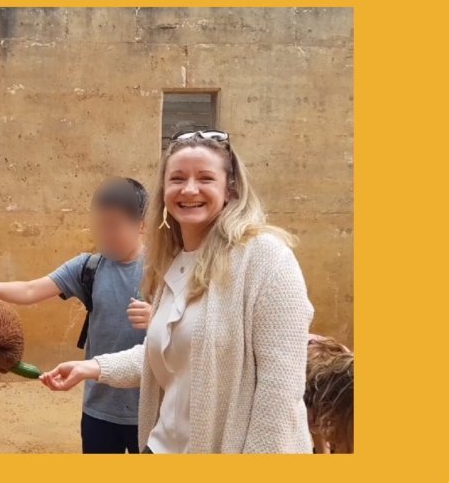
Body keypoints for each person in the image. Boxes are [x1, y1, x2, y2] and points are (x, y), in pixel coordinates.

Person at [39, 130, 315, 453]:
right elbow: (170, 354)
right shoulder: (172, 262)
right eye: (178, 178)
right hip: (161, 448)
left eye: (206, 178)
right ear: (164, 191)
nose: (189, 189)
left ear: (230, 189)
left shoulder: (266, 258)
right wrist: (92, 367)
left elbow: (279, 391)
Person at [0, 177, 153, 454]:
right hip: (98, 409)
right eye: (100, 226)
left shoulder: (163, 269)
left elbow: (188, 327)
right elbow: (31, 289)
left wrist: (158, 317)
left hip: (149, 411)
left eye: (115, 227)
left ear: (142, 225)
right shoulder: (89, 267)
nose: (105, 235)